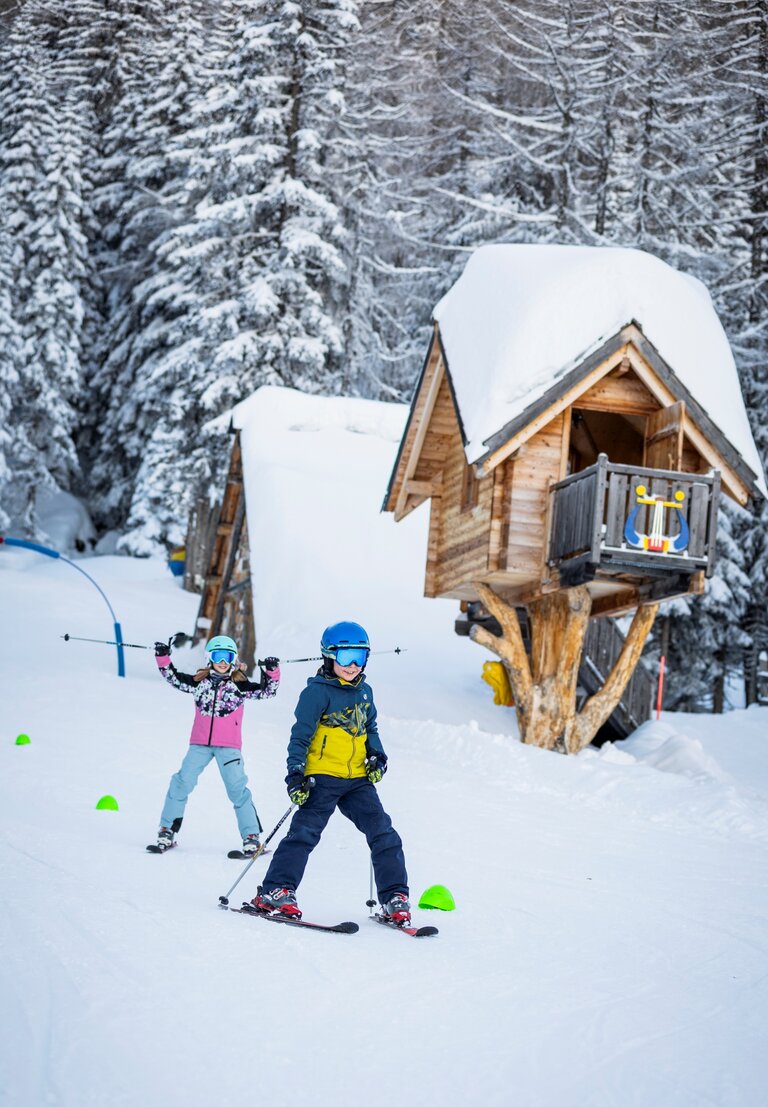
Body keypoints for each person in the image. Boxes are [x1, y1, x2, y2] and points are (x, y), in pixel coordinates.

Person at [251, 621, 411, 924]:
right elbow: (300, 736)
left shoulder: (365, 692)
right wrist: (295, 773)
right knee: (304, 834)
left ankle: (394, 897)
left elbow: (370, 729)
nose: (352, 665)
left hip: (357, 781)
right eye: (345, 656)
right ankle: (275, 890)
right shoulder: (316, 694)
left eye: (360, 657)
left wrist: (377, 755)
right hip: (321, 777)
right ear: (329, 656)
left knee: (384, 833)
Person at [152, 634, 280, 853]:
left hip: (229, 747)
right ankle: (167, 830)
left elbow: (268, 691)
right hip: (199, 744)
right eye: (218, 656)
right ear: (209, 657)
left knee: (237, 790)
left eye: (228, 656)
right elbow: (172, 678)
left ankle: (251, 836)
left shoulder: (240, 684)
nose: (223, 661)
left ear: (233, 659)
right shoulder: (198, 682)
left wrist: (271, 671)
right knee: (181, 782)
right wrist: (163, 656)